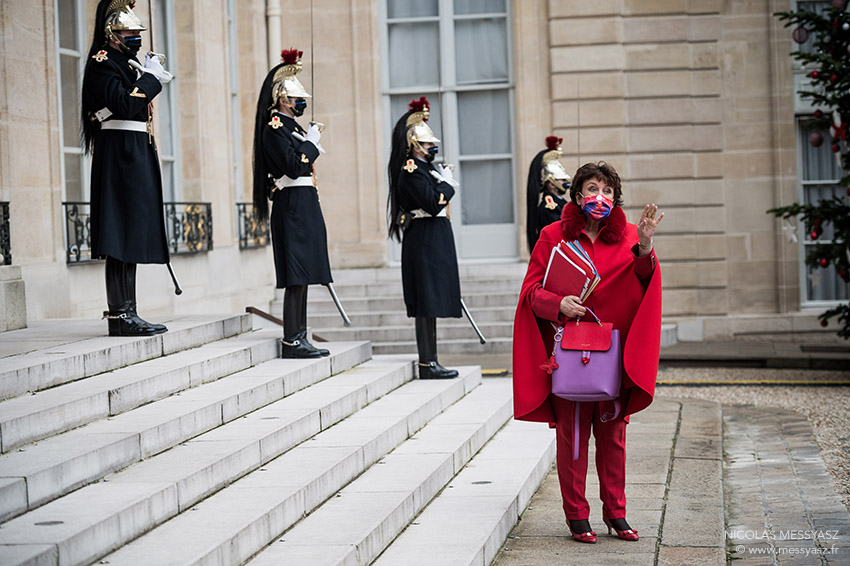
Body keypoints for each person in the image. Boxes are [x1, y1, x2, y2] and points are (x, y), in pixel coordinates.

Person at [512, 161, 663, 543]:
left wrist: (645, 245)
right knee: (573, 436)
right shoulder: (552, 236)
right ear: (578, 196)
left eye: (608, 190)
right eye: (593, 188)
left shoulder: (632, 235)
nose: (601, 196)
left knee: (613, 437)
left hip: (613, 355)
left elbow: (645, 281)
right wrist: (557, 304)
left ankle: (616, 514)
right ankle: (577, 515)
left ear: (616, 197)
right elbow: (531, 293)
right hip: (570, 355)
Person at [81, 0, 173, 337]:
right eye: (129, 32)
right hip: (119, 151)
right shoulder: (102, 63)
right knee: (118, 232)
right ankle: (119, 314)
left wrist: (144, 75)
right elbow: (123, 104)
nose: (135, 37)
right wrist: (149, 79)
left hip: (135, 149)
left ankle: (129, 310)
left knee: (131, 228)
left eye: (137, 32)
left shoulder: (127, 64)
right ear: (112, 34)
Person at [252, 49, 331, 358]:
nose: (302, 103)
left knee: (306, 274)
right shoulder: (274, 128)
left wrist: (307, 142)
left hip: (304, 201)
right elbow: (294, 166)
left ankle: (300, 334)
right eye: (298, 99)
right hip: (292, 205)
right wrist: (311, 144)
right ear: (283, 100)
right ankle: (291, 339)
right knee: (296, 275)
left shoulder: (292, 127)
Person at [387, 97, 461, 379]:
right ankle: (427, 362)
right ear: (414, 145)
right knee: (426, 303)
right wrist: (447, 185)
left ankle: (432, 360)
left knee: (432, 302)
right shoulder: (410, 170)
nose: (433, 147)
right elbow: (433, 203)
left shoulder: (426, 169)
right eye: (428, 144)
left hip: (435, 235)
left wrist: (441, 183)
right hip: (425, 236)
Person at [526, 136, 571, 253]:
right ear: (551, 184)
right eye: (562, 180)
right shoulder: (549, 207)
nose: (566, 183)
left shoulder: (559, 202)